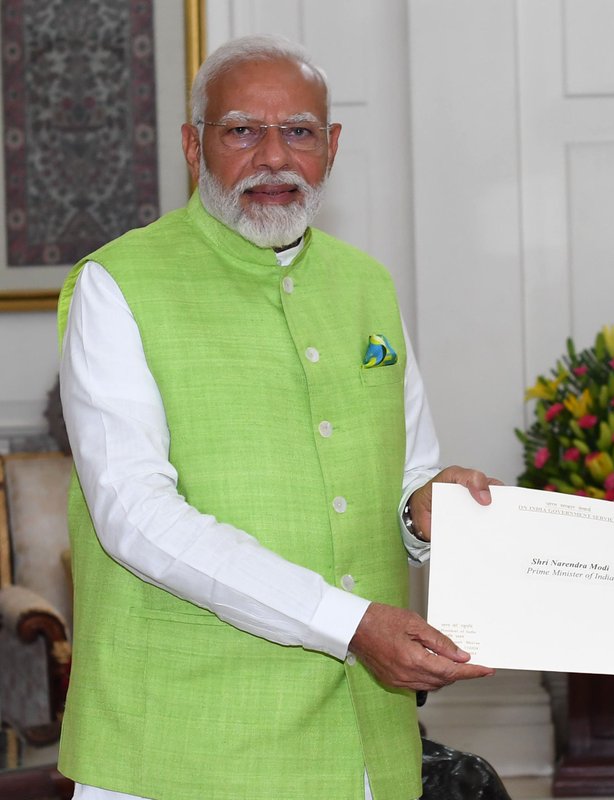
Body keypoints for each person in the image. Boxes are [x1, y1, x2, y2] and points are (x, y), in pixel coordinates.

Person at [56, 34, 496, 800]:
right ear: (193, 146)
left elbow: (410, 475)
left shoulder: (366, 285)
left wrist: (425, 510)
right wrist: (348, 623)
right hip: (179, 749)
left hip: (363, 744)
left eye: (298, 131)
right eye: (241, 131)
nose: (273, 157)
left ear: (331, 146)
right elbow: (135, 515)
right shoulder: (117, 284)